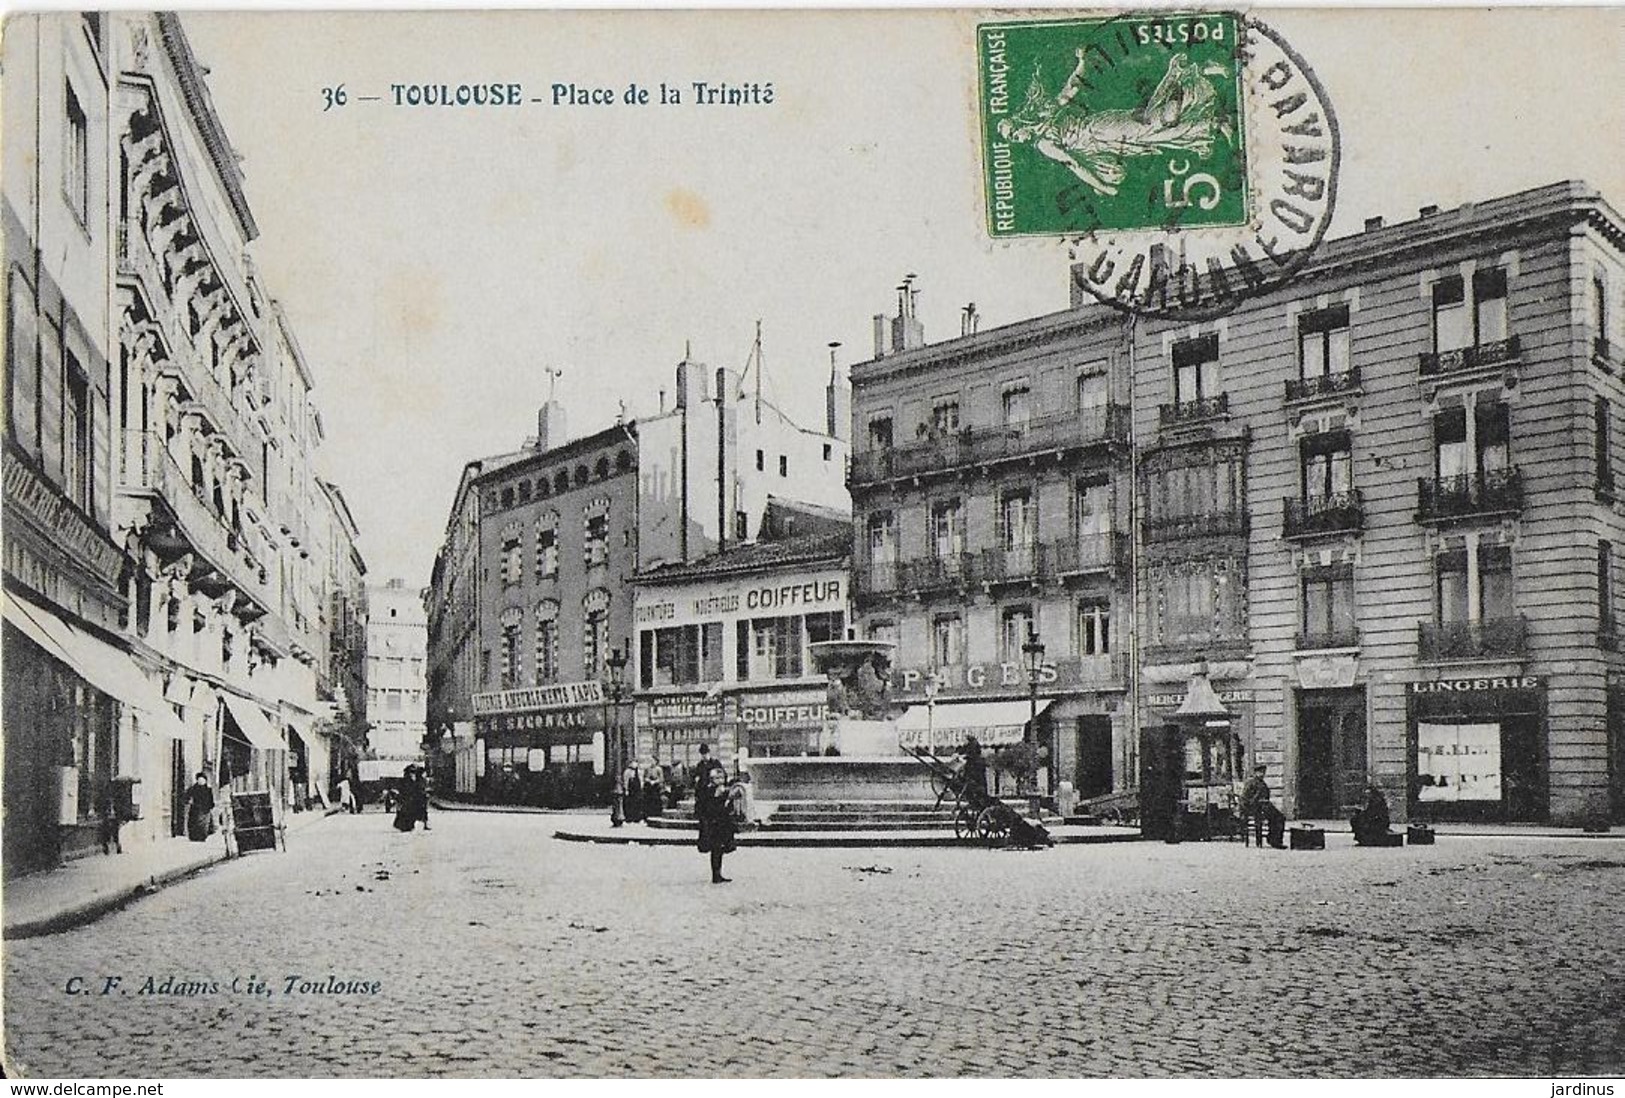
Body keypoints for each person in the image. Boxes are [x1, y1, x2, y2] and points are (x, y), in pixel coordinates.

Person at [693, 744, 733, 883]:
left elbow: (724, 777)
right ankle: (716, 875)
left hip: (720, 816)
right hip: (710, 815)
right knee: (715, 845)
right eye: (702, 754)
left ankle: (718, 874)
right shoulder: (699, 766)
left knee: (720, 846)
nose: (704, 756)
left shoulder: (715, 764)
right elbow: (698, 786)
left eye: (706, 753)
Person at [1240, 764, 1286, 849]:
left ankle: (1275, 840)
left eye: (1263, 772)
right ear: (1255, 773)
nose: (1262, 774)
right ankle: (1273, 840)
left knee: (1280, 817)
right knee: (1277, 817)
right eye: (1260, 772)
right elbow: (1244, 799)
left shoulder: (1262, 783)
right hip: (1255, 808)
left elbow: (1266, 796)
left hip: (1264, 806)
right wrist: (1253, 804)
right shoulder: (1250, 783)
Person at [1351, 780, 1394, 846]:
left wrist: (1361, 812)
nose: (1367, 795)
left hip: (1378, 821)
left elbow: (1372, 813)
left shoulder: (1376, 800)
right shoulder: (1374, 799)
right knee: (1357, 819)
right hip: (1376, 819)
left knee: (1357, 820)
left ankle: (1364, 839)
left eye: (1368, 794)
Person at [183, 772, 215, 842]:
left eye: (202, 780)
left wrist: (210, 806)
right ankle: (194, 837)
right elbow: (187, 796)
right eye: (199, 780)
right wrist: (189, 801)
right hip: (195, 809)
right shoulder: (193, 788)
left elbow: (211, 799)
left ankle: (202, 837)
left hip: (205, 809)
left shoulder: (208, 789)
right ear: (197, 780)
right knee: (194, 823)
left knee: (204, 824)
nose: (201, 781)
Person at [959, 736, 989, 804]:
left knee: (974, 781)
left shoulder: (973, 745)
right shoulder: (970, 745)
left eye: (965, 740)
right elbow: (963, 751)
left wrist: (964, 756)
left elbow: (971, 754)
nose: (964, 742)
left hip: (975, 767)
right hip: (974, 766)